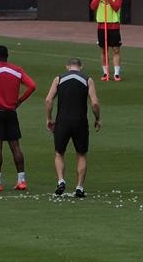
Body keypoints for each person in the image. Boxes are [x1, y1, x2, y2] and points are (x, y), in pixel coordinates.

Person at [0, 45, 36, 192]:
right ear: (7, 55)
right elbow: (32, 86)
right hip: (11, 112)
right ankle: (21, 181)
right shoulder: (17, 70)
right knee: (15, 146)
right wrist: (20, 100)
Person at [44, 58, 101, 197]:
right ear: (81, 66)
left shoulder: (59, 79)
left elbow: (48, 99)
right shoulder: (88, 80)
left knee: (59, 153)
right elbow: (94, 103)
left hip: (62, 121)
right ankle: (80, 187)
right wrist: (97, 118)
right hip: (80, 122)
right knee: (81, 154)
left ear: (67, 66)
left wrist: (49, 118)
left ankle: (61, 180)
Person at [89, 0, 124, 81]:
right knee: (104, 50)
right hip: (101, 25)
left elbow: (116, 7)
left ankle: (116, 74)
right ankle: (105, 73)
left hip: (113, 25)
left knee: (116, 49)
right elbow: (93, 6)